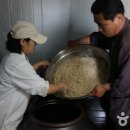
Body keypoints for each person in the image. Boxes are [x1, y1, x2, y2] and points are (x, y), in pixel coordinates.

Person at [67, 0, 130, 129]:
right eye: (97, 24)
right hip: (116, 92)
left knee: (121, 125)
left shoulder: (127, 43)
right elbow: (98, 38)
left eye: (102, 24)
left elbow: (125, 84)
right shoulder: (117, 31)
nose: (99, 29)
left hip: (125, 101)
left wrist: (105, 88)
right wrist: (74, 43)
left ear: (119, 17)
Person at [0, 20, 67, 130]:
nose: (35, 44)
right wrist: (62, 85)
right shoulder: (18, 64)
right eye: (34, 41)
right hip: (7, 121)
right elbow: (43, 89)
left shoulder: (12, 57)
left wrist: (36, 65)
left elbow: (19, 77)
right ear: (23, 41)